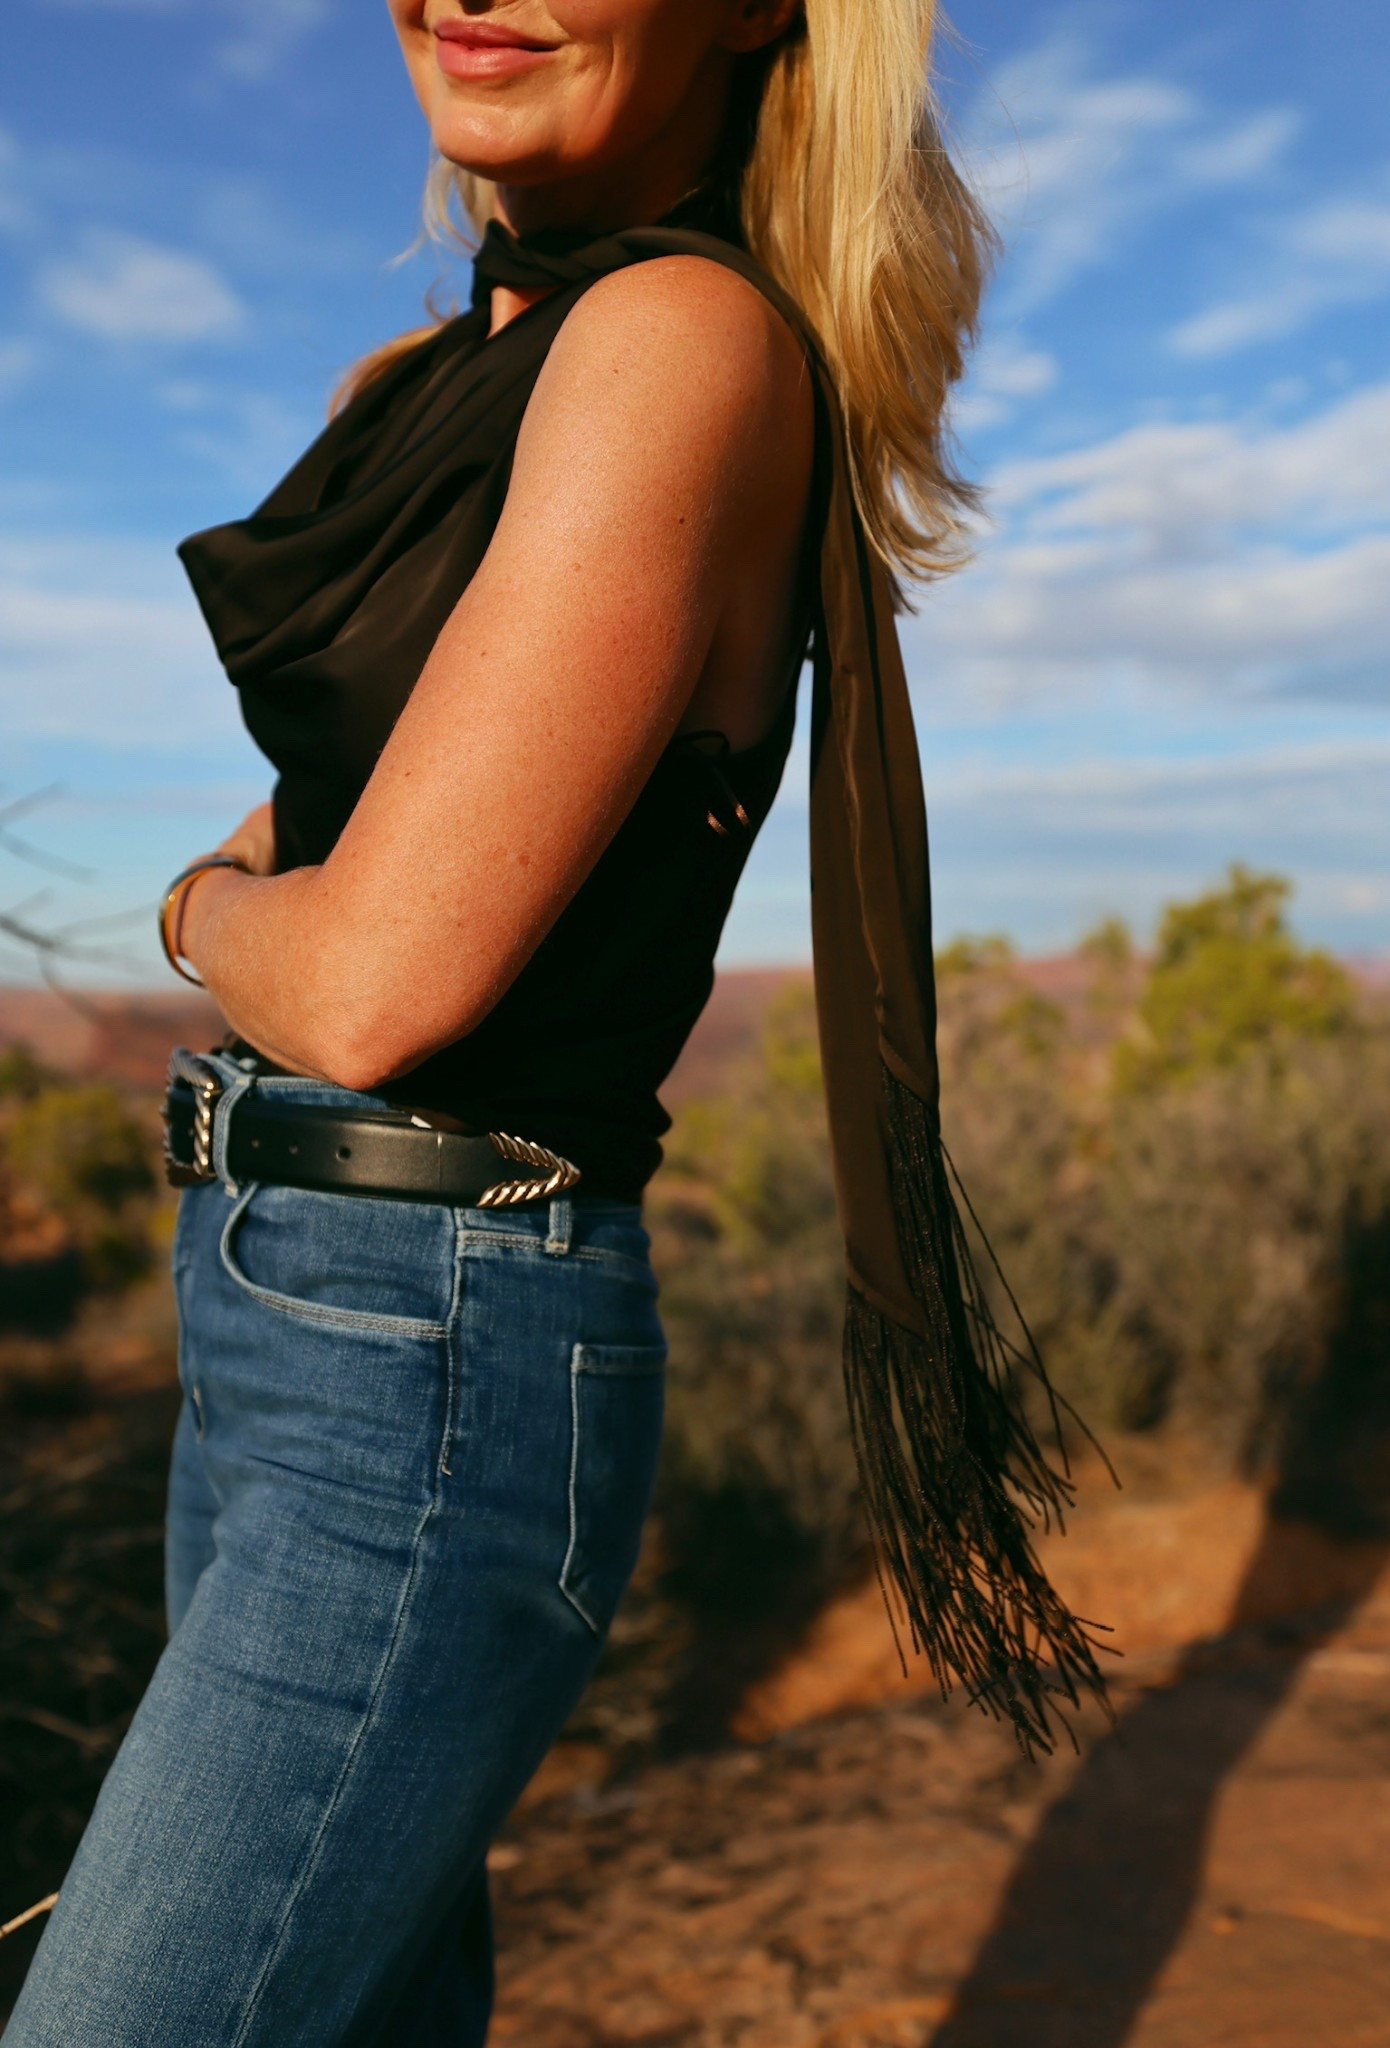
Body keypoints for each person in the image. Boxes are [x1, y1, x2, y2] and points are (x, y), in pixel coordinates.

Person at [8, 4, 1107, 2041]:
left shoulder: (680, 342)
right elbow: (344, 827)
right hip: (278, 1298)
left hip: (429, 1347)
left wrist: (188, 911)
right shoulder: (421, 377)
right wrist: (264, 900)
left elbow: (367, 979)